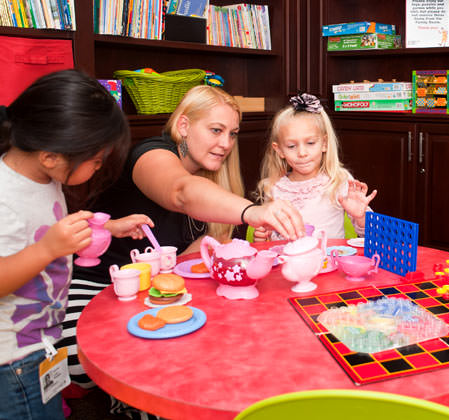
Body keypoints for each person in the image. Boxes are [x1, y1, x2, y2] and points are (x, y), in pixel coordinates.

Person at [59, 85, 305, 392]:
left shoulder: (214, 176)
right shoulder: (151, 153)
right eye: (216, 130)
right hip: (98, 283)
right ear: (184, 125)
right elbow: (181, 193)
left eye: (232, 133)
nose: (225, 143)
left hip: (157, 292)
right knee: (80, 363)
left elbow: (187, 260)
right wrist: (253, 212)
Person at [0, 70, 151, 420]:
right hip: (7, 361)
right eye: (96, 160)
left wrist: (107, 227)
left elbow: (42, 230)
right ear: (51, 155)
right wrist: (46, 250)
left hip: (37, 343)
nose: (100, 167)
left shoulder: (42, 173)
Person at [253, 93, 377, 241]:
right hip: (289, 263)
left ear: (324, 143)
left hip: (328, 262)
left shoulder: (338, 180)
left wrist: (361, 216)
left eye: (310, 143)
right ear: (279, 150)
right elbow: (269, 243)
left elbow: (372, 236)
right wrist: (261, 238)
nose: (302, 153)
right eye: (291, 146)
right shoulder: (274, 187)